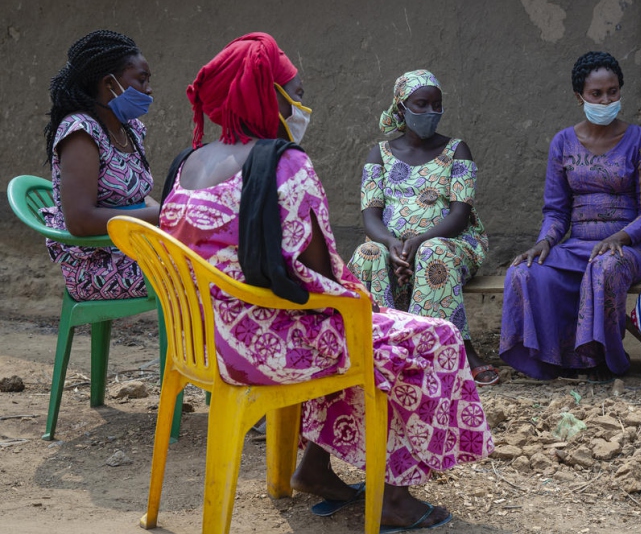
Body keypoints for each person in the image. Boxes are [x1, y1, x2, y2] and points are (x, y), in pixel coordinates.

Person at [159, 33, 491, 531]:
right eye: (289, 90)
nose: (298, 101)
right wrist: (369, 304)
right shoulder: (283, 164)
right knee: (423, 339)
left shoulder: (185, 163)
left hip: (205, 342)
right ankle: (395, 497)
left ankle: (314, 466)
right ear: (263, 96)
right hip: (265, 344)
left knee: (363, 334)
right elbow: (322, 274)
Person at [499, 51, 641, 381]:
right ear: (580, 97)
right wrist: (545, 241)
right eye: (597, 94)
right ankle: (553, 359)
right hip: (578, 247)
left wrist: (619, 237)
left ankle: (602, 360)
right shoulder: (562, 142)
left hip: (629, 247)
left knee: (605, 265)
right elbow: (557, 210)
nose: (606, 99)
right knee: (524, 271)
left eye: (613, 91)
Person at [348, 70, 496, 385]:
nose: (431, 112)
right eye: (421, 104)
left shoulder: (457, 150)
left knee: (432, 252)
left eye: (436, 105)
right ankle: (375, 353)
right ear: (401, 108)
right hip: (395, 248)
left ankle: (453, 353)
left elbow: (459, 215)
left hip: (451, 244)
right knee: (367, 253)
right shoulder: (380, 154)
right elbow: (370, 216)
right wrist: (392, 244)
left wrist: (419, 241)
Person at [42, 29, 158, 301]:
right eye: (142, 80)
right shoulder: (81, 132)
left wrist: (170, 214)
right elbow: (80, 221)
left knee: (212, 255)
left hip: (132, 251)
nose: (149, 89)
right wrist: (164, 217)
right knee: (203, 270)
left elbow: (139, 198)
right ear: (110, 83)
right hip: (97, 265)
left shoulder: (130, 130)